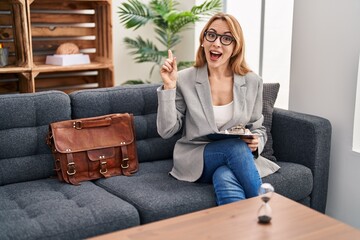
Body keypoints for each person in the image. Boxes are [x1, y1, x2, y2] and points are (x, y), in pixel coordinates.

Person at [157, 12, 280, 205]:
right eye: (211, 35)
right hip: (197, 156)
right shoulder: (184, 79)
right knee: (235, 148)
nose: (216, 43)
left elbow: (258, 128)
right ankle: (264, 208)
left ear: (235, 46)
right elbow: (166, 131)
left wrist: (256, 143)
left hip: (234, 158)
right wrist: (169, 87)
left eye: (226, 38)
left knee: (225, 176)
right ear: (203, 40)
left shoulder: (252, 81)